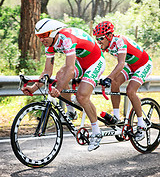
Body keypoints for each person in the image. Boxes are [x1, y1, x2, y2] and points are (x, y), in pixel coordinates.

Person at [21, 18, 106, 151]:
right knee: (60, 75)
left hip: (95, 62)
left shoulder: (67, 39)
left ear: (53, 32)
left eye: (44, 35)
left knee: (82, 96)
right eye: (39, 36)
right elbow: (47, 71)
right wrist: (33, 88)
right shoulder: (49, 45)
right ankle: (71, 113)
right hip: (81, 62)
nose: (42, 39)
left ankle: (96, 132)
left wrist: (59, 89)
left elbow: (70, 69)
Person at [93, 21, 153, 141]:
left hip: (143, 64)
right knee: (115, 83)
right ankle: (117, 118)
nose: (98, 41)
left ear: (109, 36)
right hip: (131, 65)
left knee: (130, 90)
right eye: (96, 38)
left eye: (100, 38)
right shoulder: (107, 45)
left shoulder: (120, 41)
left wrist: (109, 77)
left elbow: (121, 63)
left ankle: (141, 124)